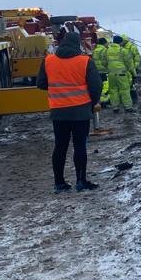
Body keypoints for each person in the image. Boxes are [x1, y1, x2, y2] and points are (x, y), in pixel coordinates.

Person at [36, 30, 102, 192]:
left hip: (58, 112)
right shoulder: (85, 61)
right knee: (79, 146)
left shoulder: (48, 61)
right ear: (77, 44)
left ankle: (59, 183)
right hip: (80, 111)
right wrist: (92, 103)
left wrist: (57, 89)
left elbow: (41, 83)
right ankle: (81, 181)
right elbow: (96, 86)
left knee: (60, 146)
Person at [107, 35, 134, 114]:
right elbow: (129, 63)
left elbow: (104, 61)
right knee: (124, 90)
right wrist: (133, 72)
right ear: (120, 42)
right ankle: (128, 107)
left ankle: (115, 108)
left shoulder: (107, 50)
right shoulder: (123, 50)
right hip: (122, 74)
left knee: (113, 90)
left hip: (111, 74)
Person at [121, 35, 141, 107]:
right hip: (125, 69)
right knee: (126, 85)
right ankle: (128, 99)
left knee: (131, 84)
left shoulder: (132, 47)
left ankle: (134, 98)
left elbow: (137, 57)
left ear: (125, 41)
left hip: (132, 68)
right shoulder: (122, 48)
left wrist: (135, 67)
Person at [92, 36, 110, 105]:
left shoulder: (95, 50)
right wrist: (108, 67)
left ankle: (100, 101)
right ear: (104, 43)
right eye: (107, 43)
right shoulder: (103, 50)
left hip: (97, 71)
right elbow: (105, 60)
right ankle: (104, 102)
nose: (107, 45)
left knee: (100, 86)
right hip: (104, 71)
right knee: (106, 87)